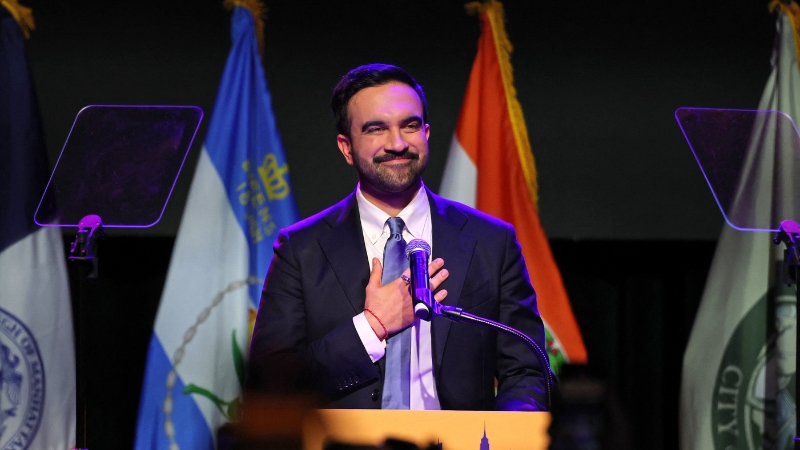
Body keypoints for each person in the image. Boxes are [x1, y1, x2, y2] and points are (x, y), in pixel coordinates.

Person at [246, 63, 547, 411]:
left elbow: (527, 372)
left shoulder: (492, 242)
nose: (398, 143)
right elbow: (271, 386)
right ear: (346, 147)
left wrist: (499, 439)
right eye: (376, 129)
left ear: (427, 133)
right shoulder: (301, 250)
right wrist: (372, 326)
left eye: (410, 125)